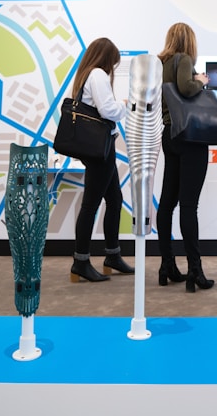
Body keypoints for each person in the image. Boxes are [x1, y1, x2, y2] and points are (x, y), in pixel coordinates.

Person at [69, 37, 134, 282]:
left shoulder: (87, 73)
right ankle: (81, 261)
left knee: (114, 200)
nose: (112, 68)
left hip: (98, 148)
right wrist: (125, 105)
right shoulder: (97, 75)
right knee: (90, 206)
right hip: (100, 150)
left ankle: (112, 255)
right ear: (106, 58)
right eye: (113, 63)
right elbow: (108, 110)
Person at [156, 22, 214, 292]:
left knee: (167, 202)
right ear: (189, 41)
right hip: (191, 137)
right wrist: (200, 81)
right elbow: (187, 89)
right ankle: (195, 271)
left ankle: (167, 265)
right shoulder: (183, 59)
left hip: (170, 134)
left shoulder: (161, 63)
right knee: (189, 206)